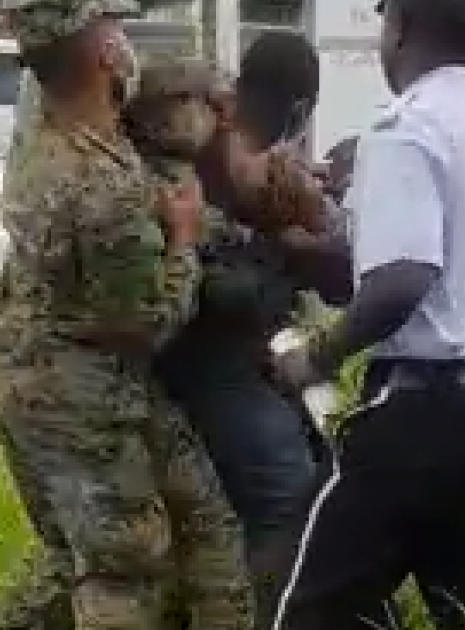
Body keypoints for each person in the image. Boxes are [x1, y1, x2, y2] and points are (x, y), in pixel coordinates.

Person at [261, 0, 465, 627]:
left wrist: (315, 358)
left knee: (294, 602)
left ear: (403, 28)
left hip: (424, 418)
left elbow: (402, 281)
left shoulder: (405, 128)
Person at [0, 2, 253, 629]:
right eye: (117, 30)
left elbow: (123, 209)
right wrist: (182, 239)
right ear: (103, 53)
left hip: (52, 376)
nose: (129, 43)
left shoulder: (51, 142)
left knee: (201, 522)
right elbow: (148, 320)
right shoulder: (99, 182)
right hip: (81, 393)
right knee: (121, 569)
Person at [124, 51, 327, 623]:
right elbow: (226, 288)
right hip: (200, 364)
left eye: (215, 99)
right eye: (198, 102)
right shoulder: (156, 180)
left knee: (304, 477)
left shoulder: (210, 165)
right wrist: (284, 259)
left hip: (228, 358)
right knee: (285, 493)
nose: (215, 112)